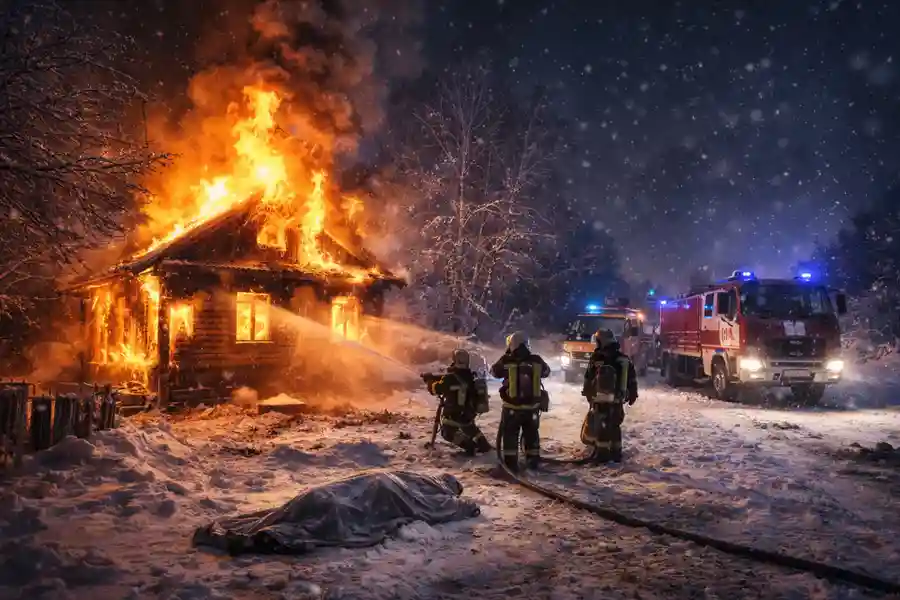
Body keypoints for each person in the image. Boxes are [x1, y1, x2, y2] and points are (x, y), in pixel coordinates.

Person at [490, 331, 551, 471]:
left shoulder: (506, 360)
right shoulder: (536, 360)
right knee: (532, 434)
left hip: (512, 408)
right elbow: (546, 372)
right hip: (532, 409)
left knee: (510, 435)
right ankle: (533, 462)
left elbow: (494, 372)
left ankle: (510, 465)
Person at [581, 329, 638, 463]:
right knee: (614, 425)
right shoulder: (623, 359)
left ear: (601, 341)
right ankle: (616, 453)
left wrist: (588, 393)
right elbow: (632, 379)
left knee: (602, 425)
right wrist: (632, 394)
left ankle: (602, 454)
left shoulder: (597, 358)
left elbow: (588, 377)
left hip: (600, 399)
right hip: (617, 399)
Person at [426, 349, 492, 456]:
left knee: (447, 432)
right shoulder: (471, 377)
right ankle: (483, 445)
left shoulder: (450, 378)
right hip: (468, 415)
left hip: (453, 415)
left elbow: (435, 389)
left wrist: (430, 382)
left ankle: (469, 446)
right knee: (470, 428)